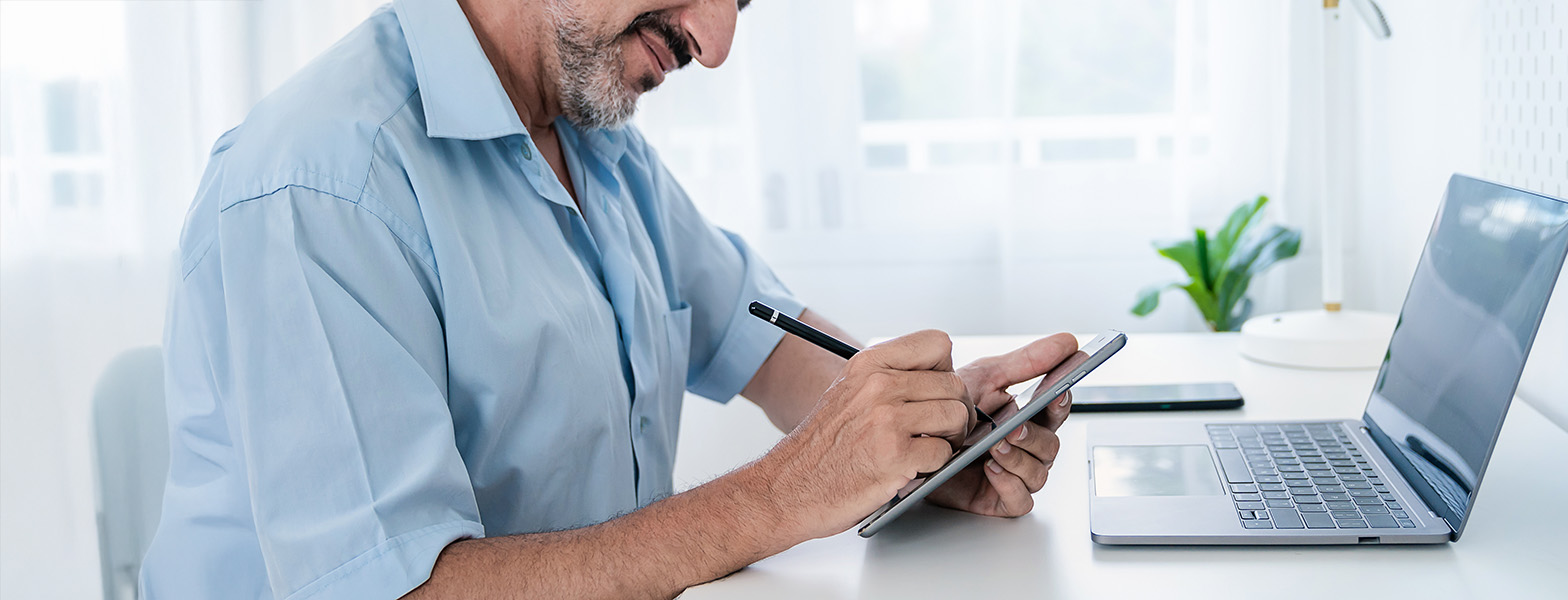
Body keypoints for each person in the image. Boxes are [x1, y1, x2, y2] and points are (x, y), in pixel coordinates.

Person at [139, 0, 1077, 597]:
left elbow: (773, 346)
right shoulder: (319, 185)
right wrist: (783, 495)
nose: (714, 44)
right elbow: (395, 590)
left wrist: (927, 433)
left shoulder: (597, 143)